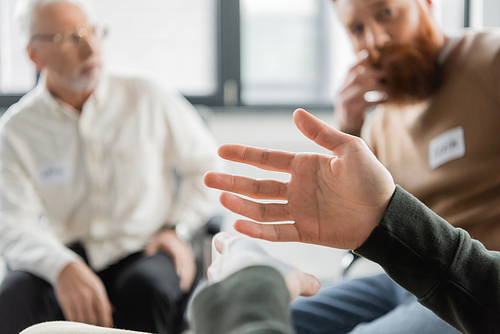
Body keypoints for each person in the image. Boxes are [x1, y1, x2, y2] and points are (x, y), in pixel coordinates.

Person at [19, 109, 500, 334]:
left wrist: (251, 282)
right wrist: (386, 219)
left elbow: (198, 171)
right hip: (425, 273)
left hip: (153, 247)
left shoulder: (142, 97)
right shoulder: (20, 127)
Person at [0, 0, 222, 333]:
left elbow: (208, 169)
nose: (90, 46)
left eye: (92, 31)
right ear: (34, 55)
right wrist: (61, 266)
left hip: (146, 247)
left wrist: (177, 229)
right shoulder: (17, 129)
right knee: (13, 298)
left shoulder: (146, 96)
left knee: (148, 290)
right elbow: (12, 222)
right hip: (68, 252)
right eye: (68, 37)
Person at [286, 0, 500, 332]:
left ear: (427, 4)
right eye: (357, 29)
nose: (376, 40)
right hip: (402, 279)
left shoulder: (490, 60)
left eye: (386, 12)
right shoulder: (378, 124)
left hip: (475, 278)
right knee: (279, 316)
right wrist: (349, 127)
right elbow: (361, 223)